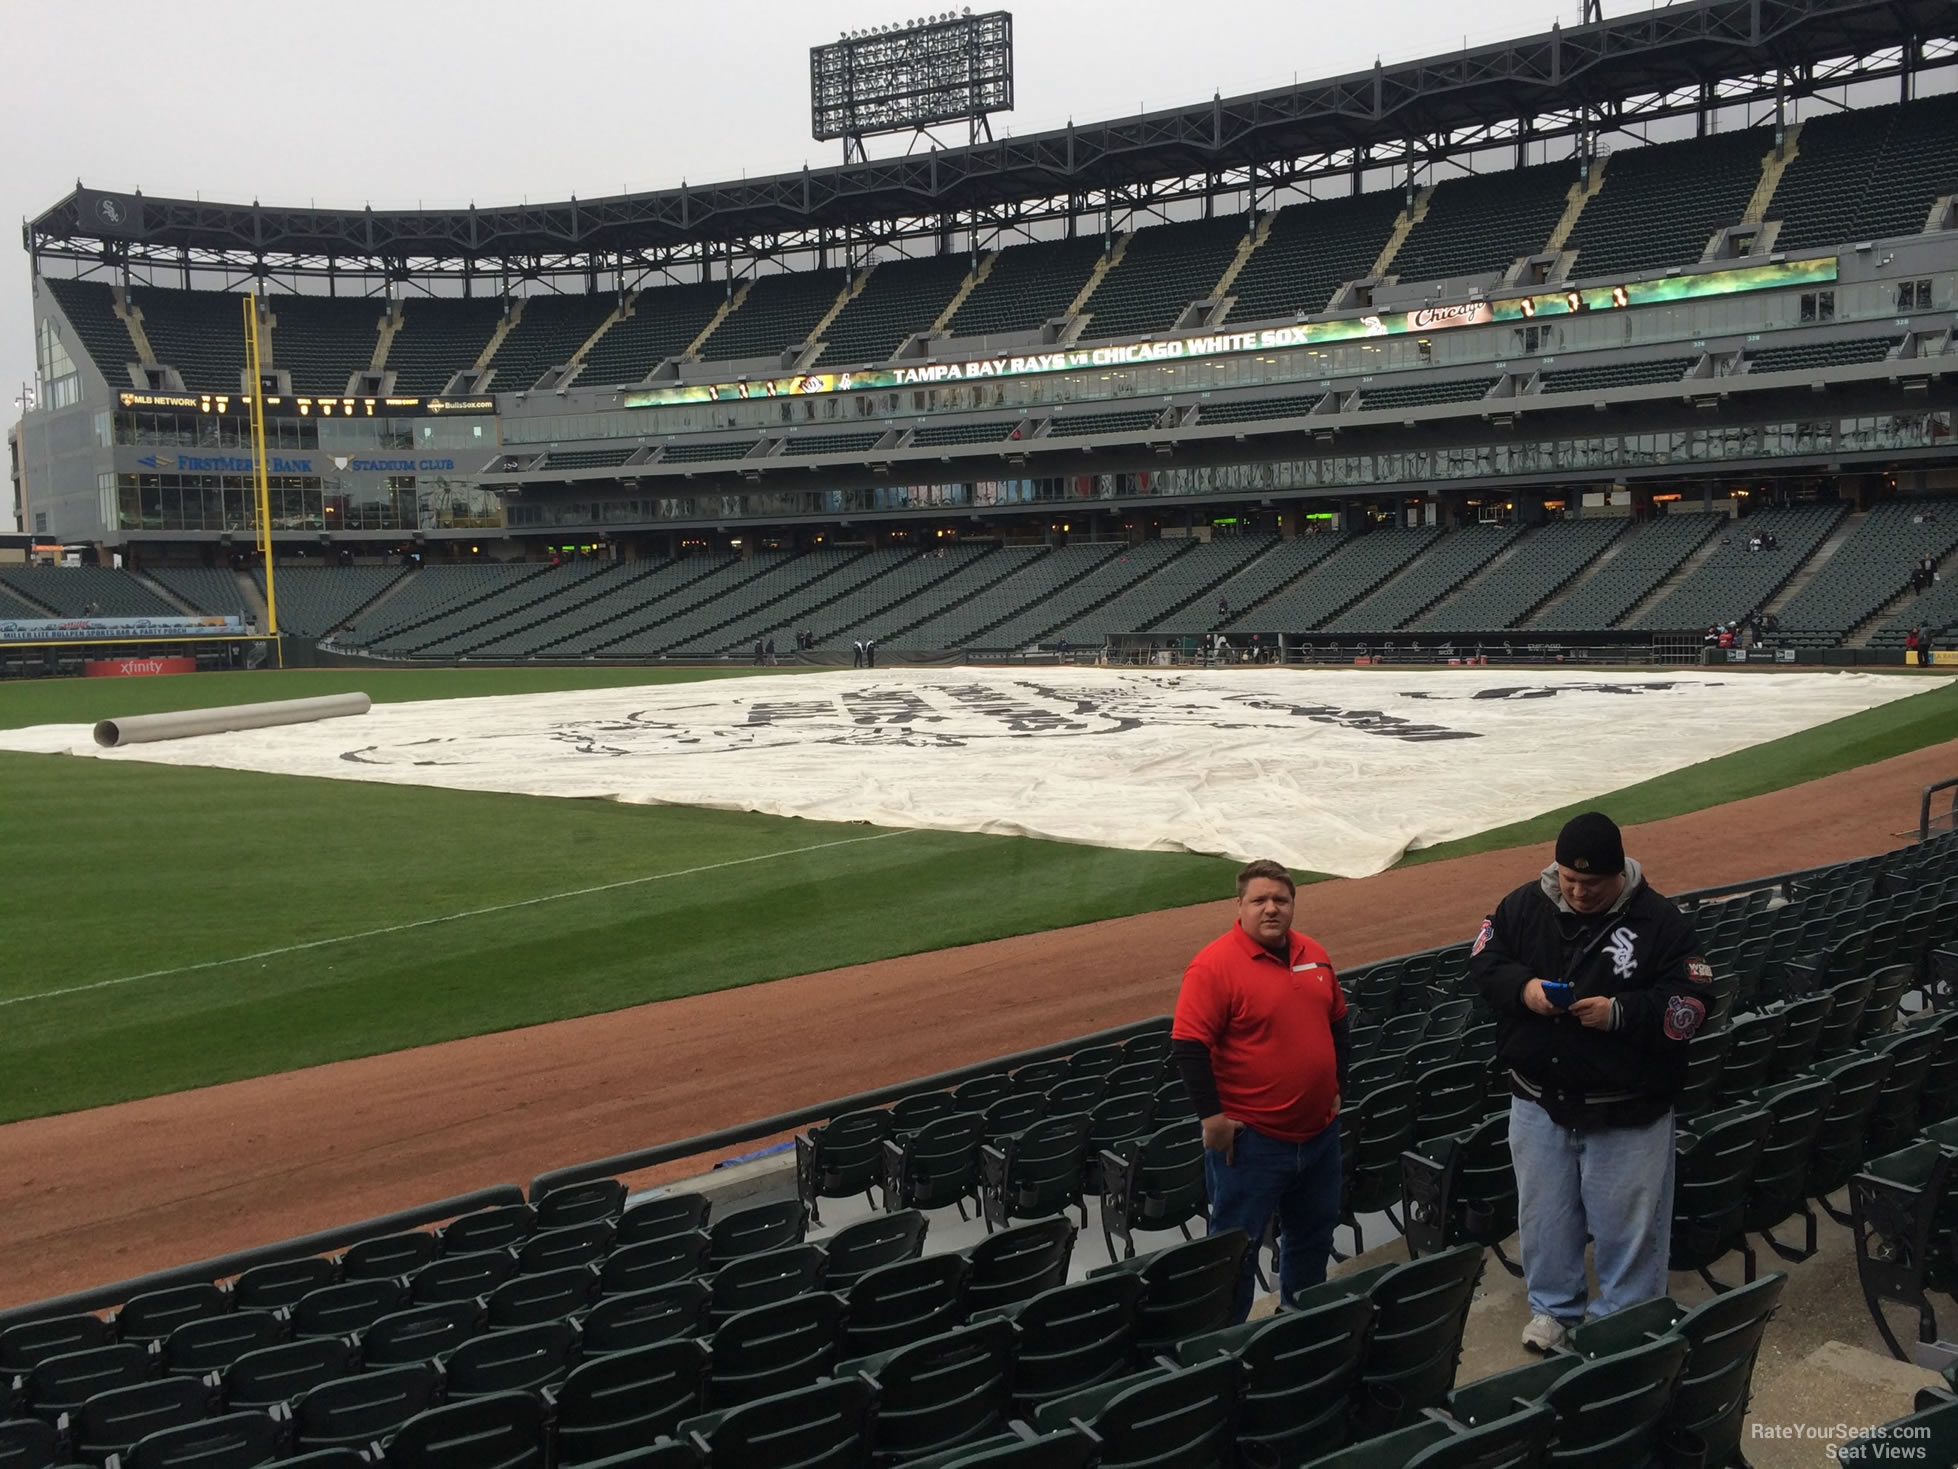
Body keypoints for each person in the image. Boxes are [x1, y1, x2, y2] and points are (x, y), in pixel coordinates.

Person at [1470, 811, 1706, 1353]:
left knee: (1629, 1229)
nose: (1577, 891)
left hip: (1627, 1109)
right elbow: (1484, 961)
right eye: (1569, 880)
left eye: (1590, 884)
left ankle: (1624, 1324)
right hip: (1538, 1099)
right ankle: (1553, 1309)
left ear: (1618, 874)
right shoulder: (1523, 905)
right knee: (1544, 1217)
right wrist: (1524, 989)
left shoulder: (1660, 922)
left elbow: (1694, 1002)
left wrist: (1622, 1013)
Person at [1172, 859, 1351, 1323]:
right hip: (1253, 1143)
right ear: (1240, 905)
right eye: (1260, 900)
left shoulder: (1315, 953)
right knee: (1236, 1250)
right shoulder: (1213, 966)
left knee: (1312, 1237)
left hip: (1319, 1135)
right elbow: (1189, 1045)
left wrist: (1338, 1086)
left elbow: (1338, 1023)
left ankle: (1301, 1326)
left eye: (1281, 899)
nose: (1271, 908)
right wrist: (1211, 1119)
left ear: (1293, 904)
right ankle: (1225, 1346)